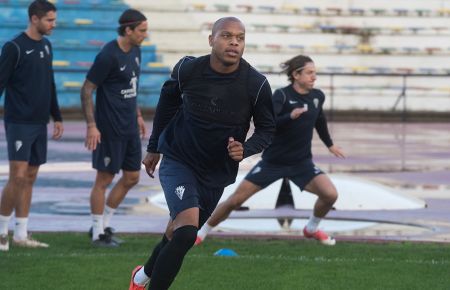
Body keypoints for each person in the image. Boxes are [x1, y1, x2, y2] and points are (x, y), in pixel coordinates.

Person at [129, 17, 275, 290]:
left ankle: (140, 277)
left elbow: (268, 130)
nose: (234, 42)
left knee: (178, 232)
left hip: (216, 172)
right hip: (179, 159)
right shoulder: (188, 69)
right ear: (211, 39)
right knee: (185, 233)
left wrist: (246, 149)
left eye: (240, 38)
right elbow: (168, 102)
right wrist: (153, 147)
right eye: (227, 36)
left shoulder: (256, 84)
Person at [196, 55, 345, 246]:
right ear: (296, 75)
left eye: (314, 73)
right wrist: (289, 116)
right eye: (309, 73)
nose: (314, 77)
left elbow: (320, 120)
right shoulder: (281, 96)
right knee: (235, 201)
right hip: (273, 163)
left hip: (302, 163)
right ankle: (202, 232)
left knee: (330, 194)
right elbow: (269, 124)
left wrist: (330, 145)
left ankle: (311, 228)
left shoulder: (317, 96)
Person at [80, 9, 148, 247]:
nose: (145, 35)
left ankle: (103, 225)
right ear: (128, 30)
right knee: (104, 178)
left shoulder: (137, 51)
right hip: (109, 128)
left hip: (129, 126)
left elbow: (133, 87)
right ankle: (98, 233)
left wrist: (138, 114)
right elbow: (87, 89)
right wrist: (91, 125)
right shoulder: (108, 55)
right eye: (142, 30)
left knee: (131, 177)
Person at [0, 0, 63, 252]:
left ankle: (21, 234)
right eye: (49, 20)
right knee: (17, 177)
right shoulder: (13, 47)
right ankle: (1, 232)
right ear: (35, 19)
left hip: (39, 123)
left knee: (30, 177)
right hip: (19, 122)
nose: (53, 25)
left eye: (54, 20)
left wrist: (57, 116)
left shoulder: (47, 46)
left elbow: (50, 84)